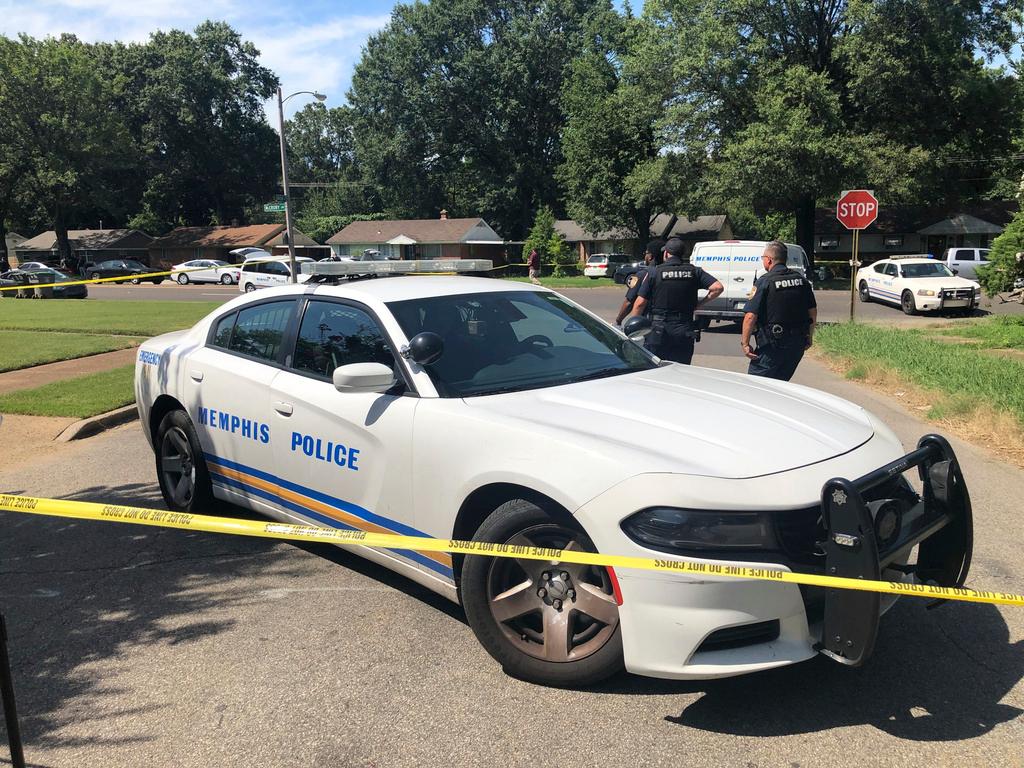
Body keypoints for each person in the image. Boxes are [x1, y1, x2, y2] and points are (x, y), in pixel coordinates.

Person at [630, 237, 724, 364]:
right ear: (683, 253)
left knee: (655, 369)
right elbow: (717, 288)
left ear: (666, 253)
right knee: (681, 370)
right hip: (684, 329)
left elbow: (640, 303)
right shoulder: (695, 271)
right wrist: (699, 304)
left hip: (659, 330)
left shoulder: (654, 272)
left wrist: (633, 328)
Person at [740, 240, 817, 381]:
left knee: (756, 386)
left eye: (763, 258)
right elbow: (812, 311)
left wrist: (745, 344)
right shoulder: (801, 280)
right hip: (796, 344)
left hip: (772, 346)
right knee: (781, 387)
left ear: (769, 260)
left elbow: (750, 316)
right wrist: (809, 336)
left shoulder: (765, 281)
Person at [615, 239, 663, 326]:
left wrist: (618, 320)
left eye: (646, 253)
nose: (645, 256)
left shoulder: (642, 274)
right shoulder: (669, 274)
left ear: (650, 256)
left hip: (648, 322)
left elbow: (629, 302)